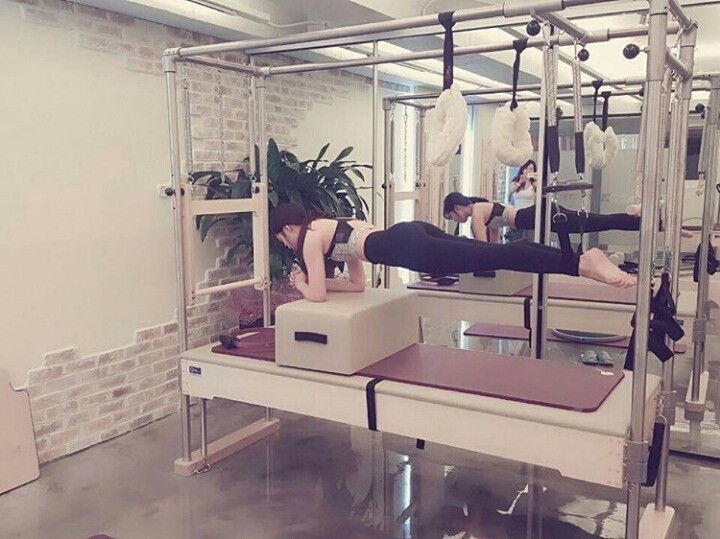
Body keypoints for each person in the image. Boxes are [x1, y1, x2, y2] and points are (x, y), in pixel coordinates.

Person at [269, 203, 636, 303]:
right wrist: (318, 284)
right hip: (409, 233)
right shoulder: (329, 227)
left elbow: (317, 295)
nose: (286, 245)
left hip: (409, 248)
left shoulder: (309, 238)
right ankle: (578, 260)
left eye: (281, 239)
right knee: (496, 253)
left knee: (499, 257)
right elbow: (357, 286)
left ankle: (578, 263)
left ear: (286, 229)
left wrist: (301, 283)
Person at [443, 192, 640, 244]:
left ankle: (638, 221)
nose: (455, 221)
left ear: (457, 208)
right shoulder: (482, 210)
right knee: (593, 222)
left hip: (540, 215)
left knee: (594, 222)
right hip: (539, 216)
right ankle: (637, 221)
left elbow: (481, 247)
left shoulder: (477, 212)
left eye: (452, 217)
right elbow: (493, 247)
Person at [507, 159, 537, 242]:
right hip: (516, 215)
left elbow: (541, 194)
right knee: (516, 240)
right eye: (526, 168)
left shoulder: (534, 184)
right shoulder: (515, 182)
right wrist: (520, 181)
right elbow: (510, 191)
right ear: (522, 169)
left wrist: (535, 182)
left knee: (530, 240)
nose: (528, 171)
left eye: (531, 169)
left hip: (530, 215)